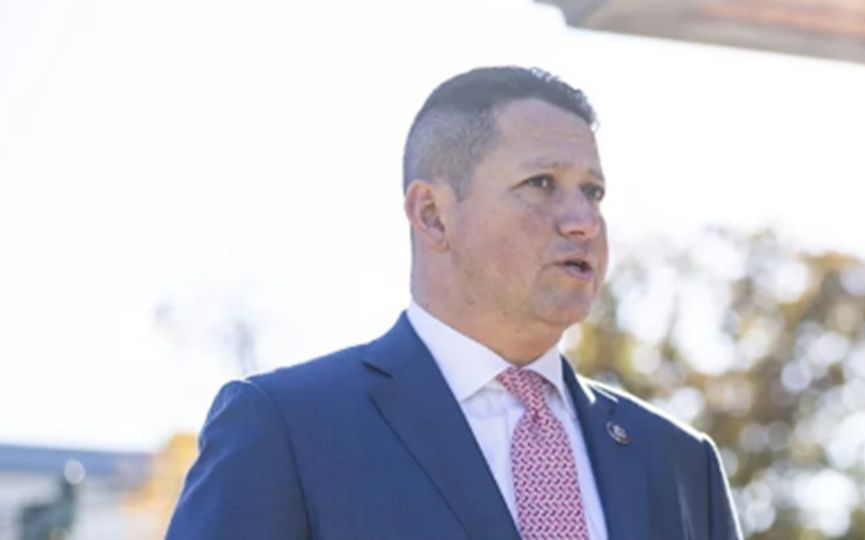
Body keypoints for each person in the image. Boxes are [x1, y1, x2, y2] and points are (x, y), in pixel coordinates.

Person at [165, 66, 742, 540]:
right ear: (433, 215)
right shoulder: (287, 428)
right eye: (541, 183)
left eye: (593, 192)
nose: (584, 221)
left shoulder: (680, 462)